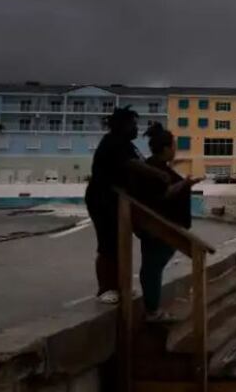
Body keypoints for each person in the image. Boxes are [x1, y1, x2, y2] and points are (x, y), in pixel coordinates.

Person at [86, 107, 172, 304]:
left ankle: (120, 284)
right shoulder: (113, 142)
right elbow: (133, 165)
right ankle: (105, 288)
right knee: (108, 244)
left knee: (120, 243)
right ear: (122, 125)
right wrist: (158, 174)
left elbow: (138, 165)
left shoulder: (128, 145)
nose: (136, 128)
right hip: (102, 200)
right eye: (132, 124)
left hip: (120, 202)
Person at [135, 122, 201, 321]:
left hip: (157, 226)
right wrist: (186, 183)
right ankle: (152, 310)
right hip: (157, 227)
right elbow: (162, 195)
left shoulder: (156, 166)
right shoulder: (153, 169)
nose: (175, 150)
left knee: (152, 266)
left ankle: (151, 308)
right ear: (165, 149)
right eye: (173, 146)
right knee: (153, 266)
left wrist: (184, 183)